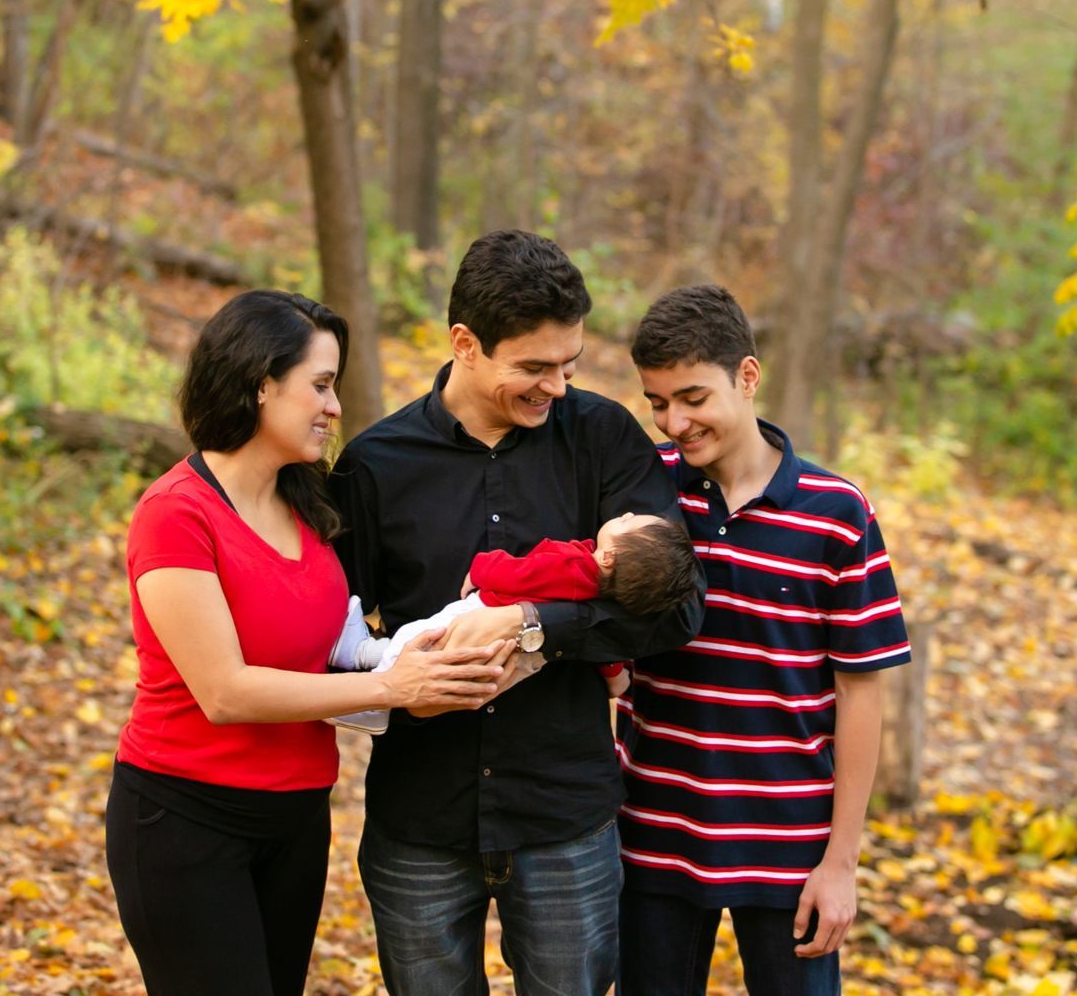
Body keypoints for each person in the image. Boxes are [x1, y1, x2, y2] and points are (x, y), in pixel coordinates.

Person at [327, 230, 706, 996]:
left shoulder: (602, 439)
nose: (557, 387)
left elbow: (677, 606)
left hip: (565, 817)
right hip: (420, 822)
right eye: (534, 368)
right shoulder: (375, 465)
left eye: (569, 365)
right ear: (465, 343)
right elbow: (325, 628)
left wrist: (534, 623)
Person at [103, 290, 508, 996]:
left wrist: (432, 649)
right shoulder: (176, 515)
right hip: (186, 819)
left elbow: (338, 640)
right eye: (320, 385)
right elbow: (225, 692)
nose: (335, 407)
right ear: (261, 384)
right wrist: (393, 689)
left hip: (295, 817)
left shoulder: (309, 502)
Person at [618, 284, 912, 996]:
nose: (674, 422)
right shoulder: (644, 492)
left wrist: (842, 862)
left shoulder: (837, 514)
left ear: (748, 377)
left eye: (693, 397)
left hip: (791, 849)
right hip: (654, 832)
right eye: (658, 403)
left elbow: (859, 692)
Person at [327, 511, 703, 730]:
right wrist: (616, 678)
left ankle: (368, 688)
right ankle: (368, 662)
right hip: (513, 653)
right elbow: (604, 650)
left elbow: (520, 574)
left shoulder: (572, 568)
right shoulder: (604, 595)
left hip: (484, 612)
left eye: (628, 522)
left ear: (608, 559)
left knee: (419, 637)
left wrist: (481, 568)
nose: (625, 513)